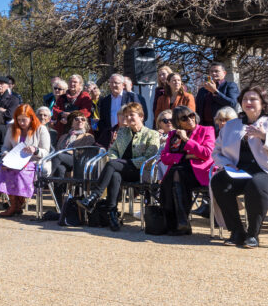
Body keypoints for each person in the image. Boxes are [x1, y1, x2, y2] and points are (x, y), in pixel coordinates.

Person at [210, 86, 268, 249]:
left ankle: (253, 234)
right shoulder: (231, 125)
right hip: (239, 172)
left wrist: (265, 136)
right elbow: (216, 151)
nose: (248, 102)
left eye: (253, 99)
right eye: (245, 99)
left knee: (257, 185)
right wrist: (227, 165)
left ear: (263, 103)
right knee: (219, 181)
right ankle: (237, 231)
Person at [78, 102, 160, 231]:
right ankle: (112, 213)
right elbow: (113, 151)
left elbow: (149, 158)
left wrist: (121, 163)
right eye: (126, 116)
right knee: (114, 173)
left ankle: (94, 196)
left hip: (141, 170)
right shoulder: (123, 132)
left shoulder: (151, 134)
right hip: (121, 169)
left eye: (132, 115)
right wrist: (117, 162)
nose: (128, 118)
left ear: (141, 116)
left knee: (112, 165)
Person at [158, 106, 215, 235]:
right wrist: (185, 156)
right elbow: (164, 157)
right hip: (179, 171)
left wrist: (186, 140)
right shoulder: (173, 134)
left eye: (191, 115)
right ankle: (179, 222)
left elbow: (206, 153)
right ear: (178, 122)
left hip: (200, 172)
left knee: (175, 174)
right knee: (174, 175)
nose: (190, 119)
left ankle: (180, 222)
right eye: (184, 118)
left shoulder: (207, 130)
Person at [0, 104, 52, 216]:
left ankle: (16, 205)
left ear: (31, 118)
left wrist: (35, 149)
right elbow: (5, 147)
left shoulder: (41, 129)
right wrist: (6, 154)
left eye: (24, 120)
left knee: (20, 172)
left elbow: (46, 151)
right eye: (19, 120)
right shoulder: (12, 128)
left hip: (34, 161)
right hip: (14, 160)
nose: (21, 123)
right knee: (2, 169)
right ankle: (15, 204)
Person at [96, 73, 145, 147]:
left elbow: (140, 115)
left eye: (116, 83)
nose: (113, 85)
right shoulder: (105, 101)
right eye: (111, 83)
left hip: (131, 134)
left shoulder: (132, 97)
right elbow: (102, 120)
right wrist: (108, 133)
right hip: (112, 137)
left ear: (123, 85)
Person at [194, 62, 239, 128]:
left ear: (224, 73)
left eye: (216, 71)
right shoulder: (202, 90)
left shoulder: (230, 86)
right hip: (204, 126)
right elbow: (197, 109)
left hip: (223, 126)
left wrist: (215, 92)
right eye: (211, 71)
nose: (213, 73)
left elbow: (232, 103)